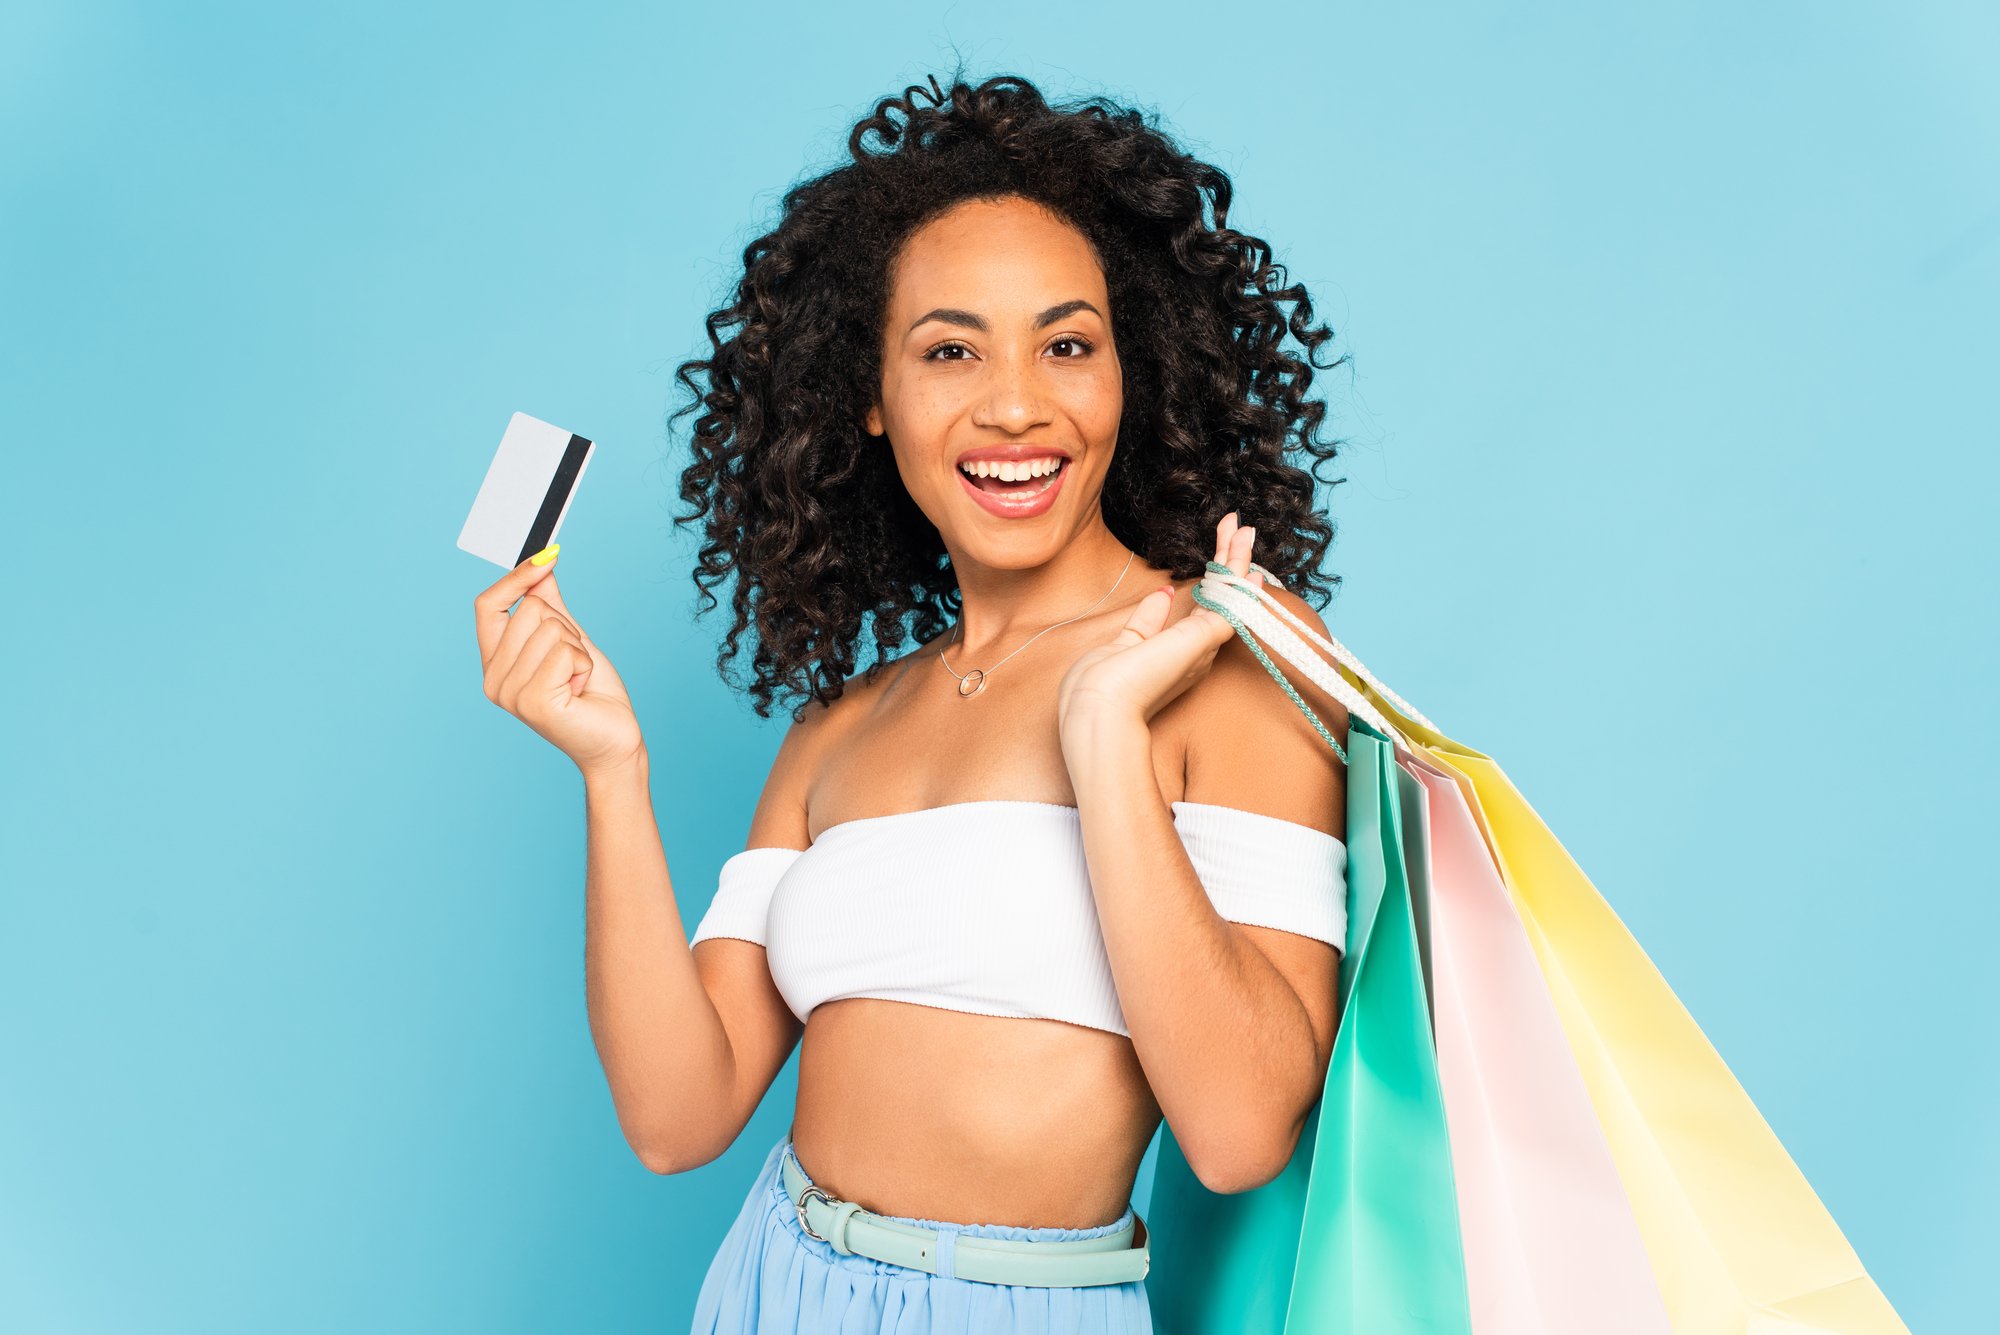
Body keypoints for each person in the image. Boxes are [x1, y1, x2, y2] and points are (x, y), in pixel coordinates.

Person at [474, 70, 1356, 1334]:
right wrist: (609, 772)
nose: (1014, 403)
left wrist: (1103, 739)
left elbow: (1235, 1133)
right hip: (769, 1282)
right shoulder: (840, 727)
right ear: (870, 403)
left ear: (1130, 374)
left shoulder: (1229, 657)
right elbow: (679, 1119)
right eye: (950, 350)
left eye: (1066, 344)